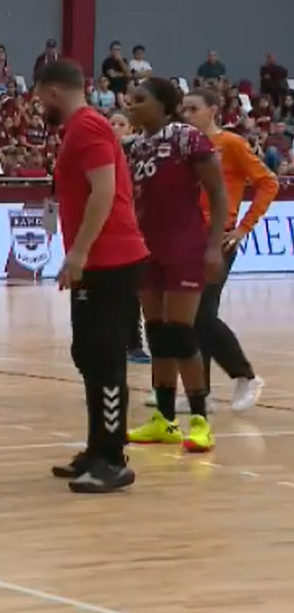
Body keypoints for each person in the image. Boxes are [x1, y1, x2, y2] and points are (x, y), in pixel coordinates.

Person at [34, 60, 149, 494]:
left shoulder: (87, 127)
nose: (40, 107)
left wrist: (80, 251)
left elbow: (104, 190)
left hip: (111, 261)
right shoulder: (80, 129)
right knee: (88, 354)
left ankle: (112, 458)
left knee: (105, 358)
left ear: (53, 92)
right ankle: (97, 447)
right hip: (98, 261)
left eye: (41, 98)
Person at [124, 78, 228, 453]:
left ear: (164, 105)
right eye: (130, 99)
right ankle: (164, 420)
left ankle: (200, 421)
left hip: (185, 247)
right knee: (157, 334)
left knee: (181, 334)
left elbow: (218, 192)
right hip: (147, 250)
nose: (131, 105)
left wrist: (213, 247)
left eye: (140, 99)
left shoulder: (187, 138)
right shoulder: (136, 147)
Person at [179, 88, 276, 412]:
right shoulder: (184, 146)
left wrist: (243, 227)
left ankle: (246, 375)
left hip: (218, 238)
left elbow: (268, 183)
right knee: (194, 316)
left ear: (213, 110)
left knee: (201, 314)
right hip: (187, 238)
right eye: (184, 109)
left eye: (193, 109)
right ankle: (201, 393)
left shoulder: (231, 144)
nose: (186, 115)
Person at [108, 111, 150, 366]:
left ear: (131, 129)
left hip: (137, 228)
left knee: (134, 292)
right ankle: (116, 343)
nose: (115, 128)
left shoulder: (140, 154)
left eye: (121, 124)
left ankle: (135, 344)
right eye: (112, 123)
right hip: (110, 227)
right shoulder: (101, 152)